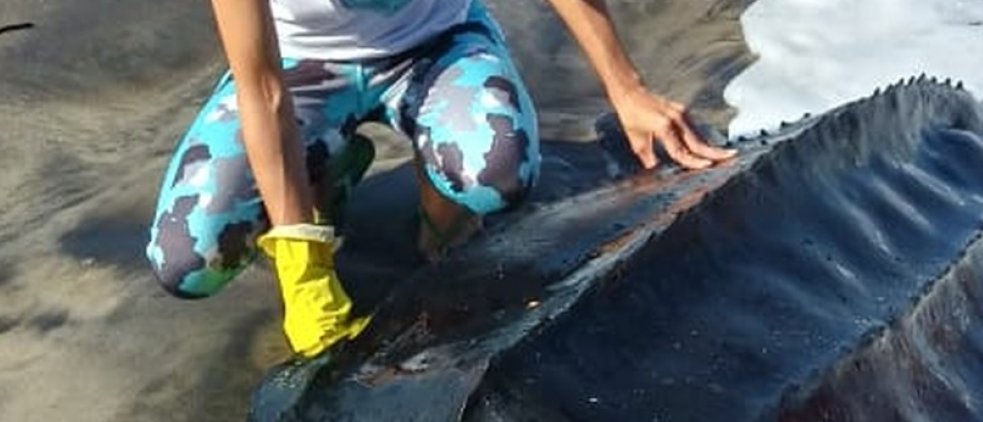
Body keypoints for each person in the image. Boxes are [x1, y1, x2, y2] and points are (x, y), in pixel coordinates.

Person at [147, 0, 734, 358]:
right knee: (189, 258)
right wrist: (303, 269)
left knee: (495, 174)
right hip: (300, 69)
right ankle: (323, 172)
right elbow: (264, 88)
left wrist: (625, 86)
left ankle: (438, 220)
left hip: (434, 46)